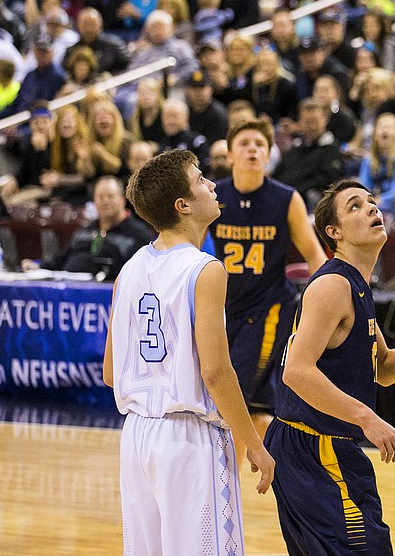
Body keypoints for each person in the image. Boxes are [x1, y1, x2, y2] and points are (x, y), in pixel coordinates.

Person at [265, 179, 395, 556]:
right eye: (355, 206)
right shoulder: (333, 284)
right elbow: (297, 372)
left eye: (371, 201)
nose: (371, 208)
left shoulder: (357, 284)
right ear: (333, 233)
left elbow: (383, 368)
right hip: (313, 448)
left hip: (325, 448)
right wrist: (367, 418)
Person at [104, 148, 275, 556]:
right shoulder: (205, 269)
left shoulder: (128, 269)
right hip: (189, 437)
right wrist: (252, 442)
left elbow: (111, 371)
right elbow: (216, 373)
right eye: (200, 180)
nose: (213, 185)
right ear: (182, 206)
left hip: (137, 436)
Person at [210, 118, 327, 427]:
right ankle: (276, 469)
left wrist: (325, 300)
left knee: (229, 395)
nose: (252, 149)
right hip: (227, 309)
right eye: (244, 144)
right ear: (230, 154)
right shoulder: (212, 197)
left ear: (269, 154)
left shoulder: (286, 199)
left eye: (259, 144)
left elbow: (314, 253)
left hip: (269, 308)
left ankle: (225, 473)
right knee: (257, 408)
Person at [30, 176, 152, 280]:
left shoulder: (138, 235)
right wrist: (37, 266)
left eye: (110, 196)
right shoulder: (83, 231)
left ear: (122, 199)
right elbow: (60, 260)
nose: (105, 201)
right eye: (100, 197)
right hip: (66, 288)